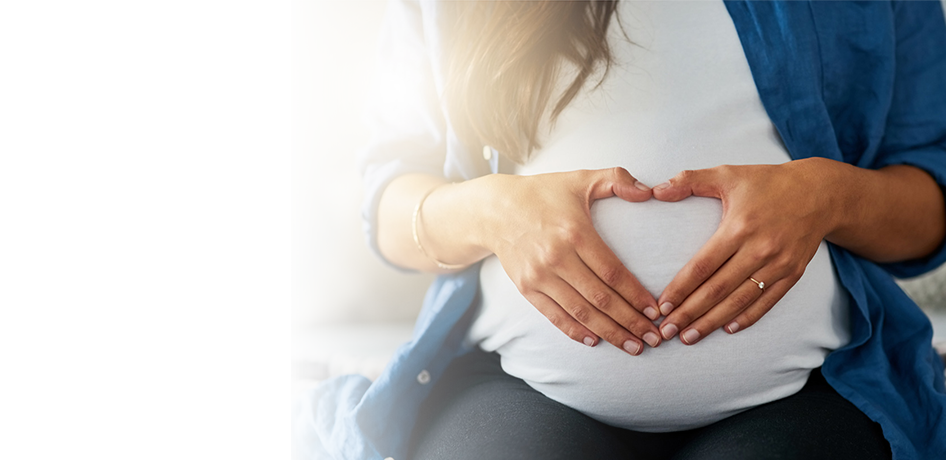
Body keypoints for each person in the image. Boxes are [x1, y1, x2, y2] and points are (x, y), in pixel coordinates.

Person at [291, 0, 946, 459]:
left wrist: (828, 197)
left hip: (810, 388)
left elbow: (930, 207)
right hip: (512, 384)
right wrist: (494, 210)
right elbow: (391, 207)